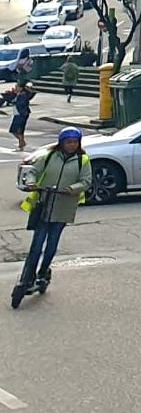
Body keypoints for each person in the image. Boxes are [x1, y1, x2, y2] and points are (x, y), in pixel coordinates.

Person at [14, 127, 90, 307]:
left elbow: (86, 181)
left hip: (64, 208)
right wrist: (31, 181)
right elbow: (33, 170)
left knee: (51, 244)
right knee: (37, 244)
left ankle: (42, 272)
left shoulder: (83, 160)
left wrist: (71, 188)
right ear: (61, 143)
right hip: (44, 205)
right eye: (68, 142)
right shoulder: (49, 156)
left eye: (75, 142)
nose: (72, 145)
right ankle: (28, 276)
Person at [4, 75, 33, 151]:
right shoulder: (19, 94)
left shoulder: (23, 95)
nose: (16, 88)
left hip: (21, 114)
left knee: (15, 130)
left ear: (21, 88)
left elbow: (21, 104)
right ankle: (21, 145)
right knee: (18, 131)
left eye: (17, 87)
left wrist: (15, 100)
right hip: (18, 113)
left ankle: (22, 143)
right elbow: (10, 100)